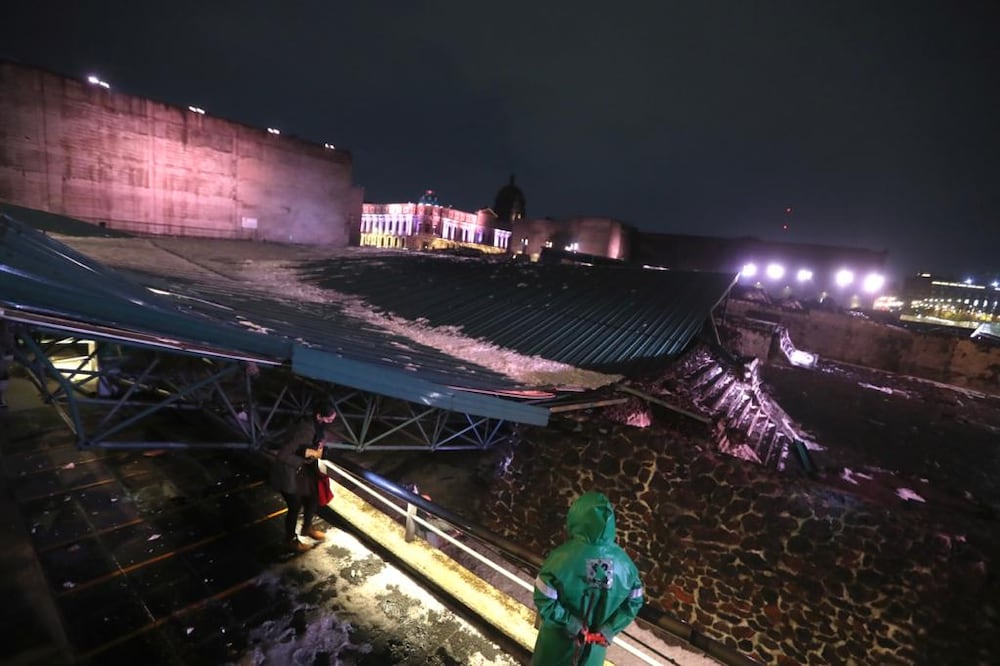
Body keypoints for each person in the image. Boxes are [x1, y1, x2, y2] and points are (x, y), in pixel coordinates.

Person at [531, 491, 644, 666]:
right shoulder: (626, 566)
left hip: (556, 648)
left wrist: (571, 623)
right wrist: (609, 629)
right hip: (594, 650)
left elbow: (543, 597)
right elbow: (634, 603)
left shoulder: (561, 558)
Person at [270, 401, 339, 553]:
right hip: (289, 473)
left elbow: (312, 444)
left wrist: (317, 447)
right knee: (294, 506)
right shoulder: (304, 430)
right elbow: (282, 455)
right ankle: (290, 540)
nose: (330, 423)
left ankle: (307, 528)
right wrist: (308, 455)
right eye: (328, 419)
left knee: (312, 498)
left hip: (303, 471)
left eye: (332, 419)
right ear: (319, 415)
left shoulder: (316, 427)